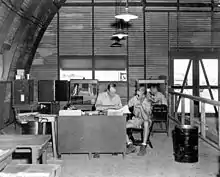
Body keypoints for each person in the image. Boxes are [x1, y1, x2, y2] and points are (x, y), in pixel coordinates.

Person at [126, 85, 152, 156]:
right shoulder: (134, 99)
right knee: (122, 125)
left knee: (146, 123)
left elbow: (146, 118)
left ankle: (143, 146)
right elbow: (127, 106)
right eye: (136, 94)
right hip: (136, 119)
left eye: (138, 95)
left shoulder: (148, 102)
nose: (136, 96)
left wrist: (141, 107)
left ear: (143, 96)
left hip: (145, 120)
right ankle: (130, 145)